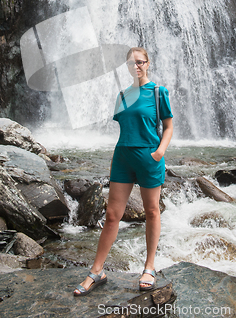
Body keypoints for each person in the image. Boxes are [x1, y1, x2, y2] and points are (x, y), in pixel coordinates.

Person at [74, 46, 173, 296]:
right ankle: (96, 271)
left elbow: (168, 127)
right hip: (122, 158)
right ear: (127, 67)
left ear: (148, 64)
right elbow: (124, 127)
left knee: (151, 211)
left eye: (140, 62)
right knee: (111, 215)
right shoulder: (122, 95)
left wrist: (160, 152)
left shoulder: (159, 93)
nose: (136, 67)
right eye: (131, 63)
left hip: (149, 157)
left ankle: (149, 267)